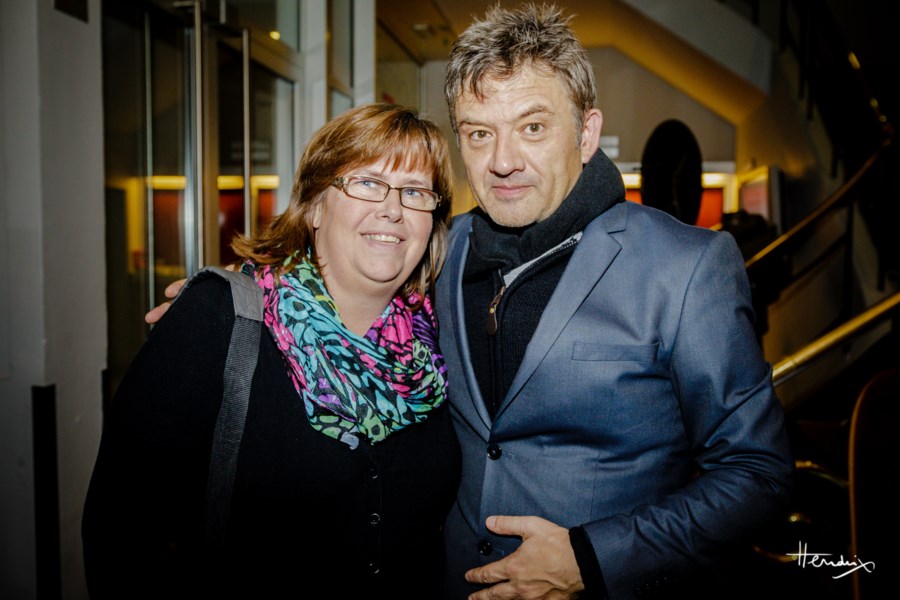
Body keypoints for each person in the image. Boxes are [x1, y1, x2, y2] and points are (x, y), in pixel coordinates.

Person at [146, 5, 794, 599]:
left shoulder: (685, 266)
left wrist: (592, 561)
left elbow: (758, 474)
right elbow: (350, 261)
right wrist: (233, 300)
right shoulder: (441, 252)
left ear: (587, 132)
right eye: (478, 134)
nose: (503, 161)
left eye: (532, 127)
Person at [82, 104, 460, 599]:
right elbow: (122, 527)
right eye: (366, 182)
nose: (393, 209)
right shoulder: (221, 317)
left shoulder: (437, 337)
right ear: (316, 205)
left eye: (415, 192)